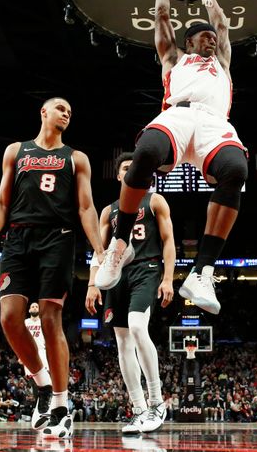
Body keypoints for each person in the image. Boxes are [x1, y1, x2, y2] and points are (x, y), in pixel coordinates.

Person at [93, 0, 248, 315]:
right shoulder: (173, 58)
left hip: (213, 123)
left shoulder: (222, 62)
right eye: (203, 36)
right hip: (178, 114)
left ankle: (202, 271)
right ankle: (120, 246)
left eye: (212, 37)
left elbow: (222, 24)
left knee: (236, 170)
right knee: (145, 151)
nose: (210, 39)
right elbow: (162, 15)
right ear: (189, 41)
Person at [0, 97, 105, 439]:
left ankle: (60, 403)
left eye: (70, 112)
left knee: (49, 317)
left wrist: (99, 250)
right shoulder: (16, 151)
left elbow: (86, 208)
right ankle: (42, 384)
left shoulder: (76, 159)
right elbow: (2, 202)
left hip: (58, 240)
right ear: (44, 112)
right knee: (10, 317)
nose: (67, 114)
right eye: (61, 109)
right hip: (17, 239)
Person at [87, 152, 175, 434]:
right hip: (117, 275)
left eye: (134, 167)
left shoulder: (155, 200)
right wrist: (91, 284)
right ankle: (138, 409)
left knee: (138, 328)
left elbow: (168, 240)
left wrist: (169, 278)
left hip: (146, 268)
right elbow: (99, 252)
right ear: (118, 175)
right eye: (125, 168)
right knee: (122, 341)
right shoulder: (108, 211)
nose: (130, 171)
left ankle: (156, 401)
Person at [23, 302, 49, 385]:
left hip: (41, 350)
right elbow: (21, 338)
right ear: (29, 310)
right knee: (32, 379)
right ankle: (36, 397)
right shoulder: (25, 322)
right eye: (32, 307)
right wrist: (20, 355)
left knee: (45, 376)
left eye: (36, 307)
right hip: (28, 352)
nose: (34, 308)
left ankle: (44, 396)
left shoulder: (43, 322)